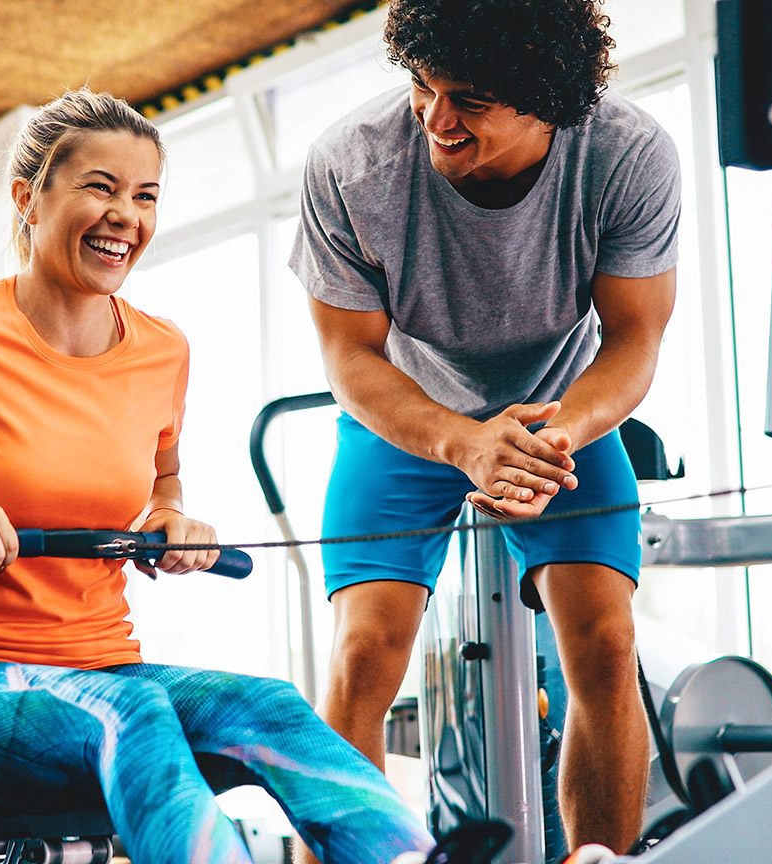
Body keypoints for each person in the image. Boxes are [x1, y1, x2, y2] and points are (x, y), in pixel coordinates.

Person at [0, 88, 505, 864]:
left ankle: (404, 859)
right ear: (27, 199)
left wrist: (172, 519)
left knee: (269, 706)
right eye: (99, 188)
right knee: (128, 708)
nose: (124, 217)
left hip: (105, 666)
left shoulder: (161, 351)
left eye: (144, 197)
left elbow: (162, 479)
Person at [289, 0, 681, 853]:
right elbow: (349, 359)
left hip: (558, 413)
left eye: (467, 98)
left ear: (545, 94)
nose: (435, 118)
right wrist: (462, 442)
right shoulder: (351, 165)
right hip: (402, 414)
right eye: (422, 86)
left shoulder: (627, 153)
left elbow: (636, 338)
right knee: (363, 654)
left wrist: (551, 439)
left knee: (607, 644)